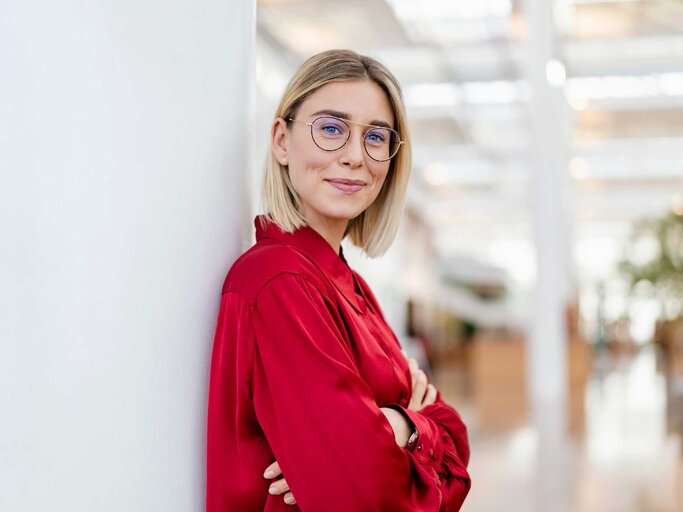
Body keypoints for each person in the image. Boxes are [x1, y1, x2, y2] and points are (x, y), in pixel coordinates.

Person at [206, 49, 471, 511]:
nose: (354, 156)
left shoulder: (349, 284)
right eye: (331, 129)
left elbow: (459, 443)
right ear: (282, 141)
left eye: (375, 137)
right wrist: (416, 424)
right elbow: (366, 494)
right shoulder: (277, 282)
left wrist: (399, 427)